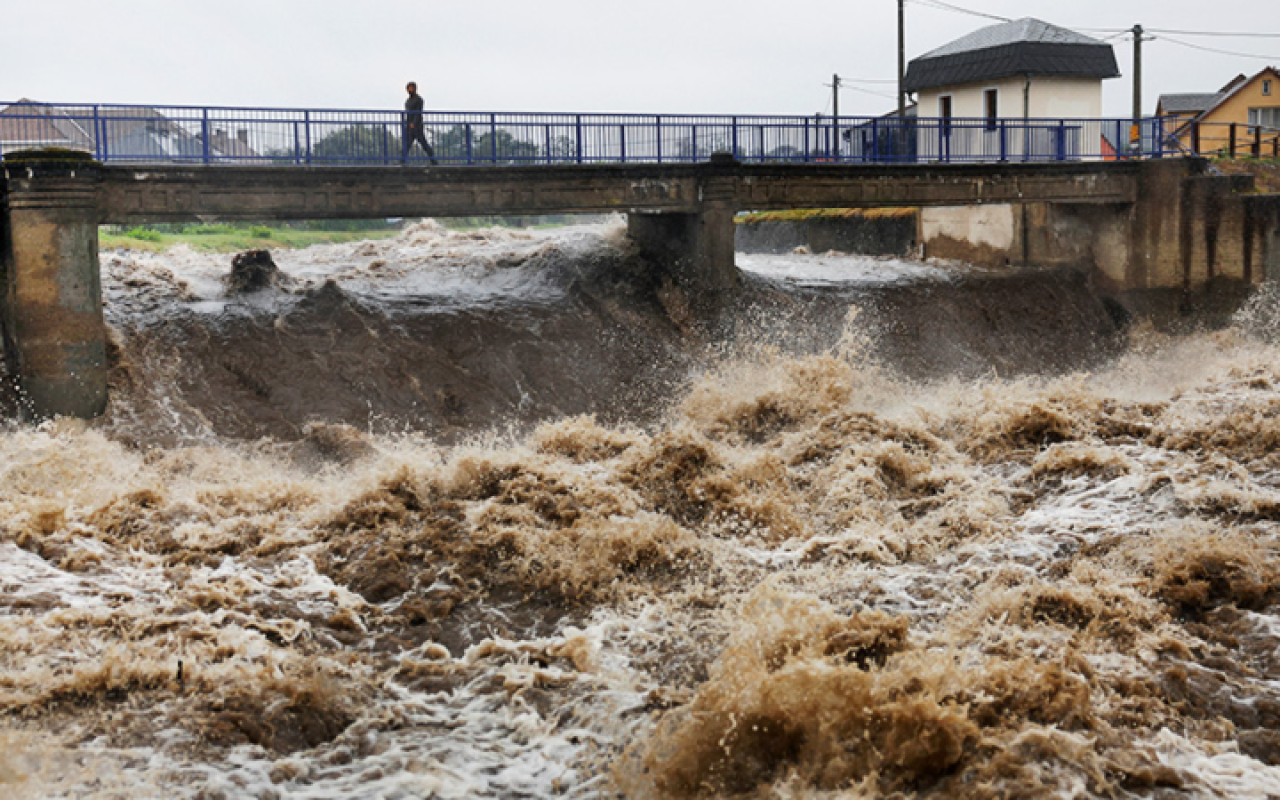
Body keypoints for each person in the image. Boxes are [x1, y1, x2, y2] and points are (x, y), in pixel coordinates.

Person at [403, 82, 438, 165]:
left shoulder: (419, 99)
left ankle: (433, 160)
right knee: (407, 144)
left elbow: (418, 113)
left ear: (415, 89)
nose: (409, 90)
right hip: (409, 125)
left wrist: (414, 123)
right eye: (408, 88)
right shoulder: (408, 100)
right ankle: (402, 160)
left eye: (410, 88)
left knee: (423, 143)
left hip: (417, 126)